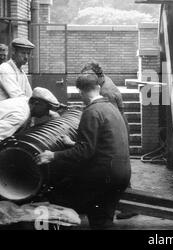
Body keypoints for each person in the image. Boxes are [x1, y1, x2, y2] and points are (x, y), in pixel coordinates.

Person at [36, 73, 131, 229]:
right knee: (103, 220)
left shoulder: (91, 112)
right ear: (98, 88)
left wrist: (52, 155)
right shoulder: (110, 108)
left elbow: (84, 152)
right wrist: (73, 143)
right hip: (123, 174)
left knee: (58, 195)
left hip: (104, 176)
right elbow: (101, 144)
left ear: (80, 92)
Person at [0, 38, 34, 103]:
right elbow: (18, 97)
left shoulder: (21, 72)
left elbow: (30, 96)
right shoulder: (5, 69)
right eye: (23, 53)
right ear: (13, 51)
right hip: (4, 112)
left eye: (28, 53)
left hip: (15, 110)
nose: (26, 57)